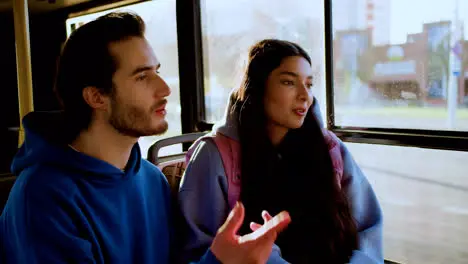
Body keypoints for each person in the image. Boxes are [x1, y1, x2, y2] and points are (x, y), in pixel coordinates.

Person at [0, 12, 291, 264]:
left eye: (157, 71)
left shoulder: (151, 179)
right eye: (142, 76)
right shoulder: (42, 197)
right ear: (96, 96)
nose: (164, 88)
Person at [178, 39, 384, 263]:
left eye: (309, 84)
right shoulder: (214, 155)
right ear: (257, 87)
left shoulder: (329, 148)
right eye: (288, 82)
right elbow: (197, 251)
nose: (304, 96)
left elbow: (368, 230)